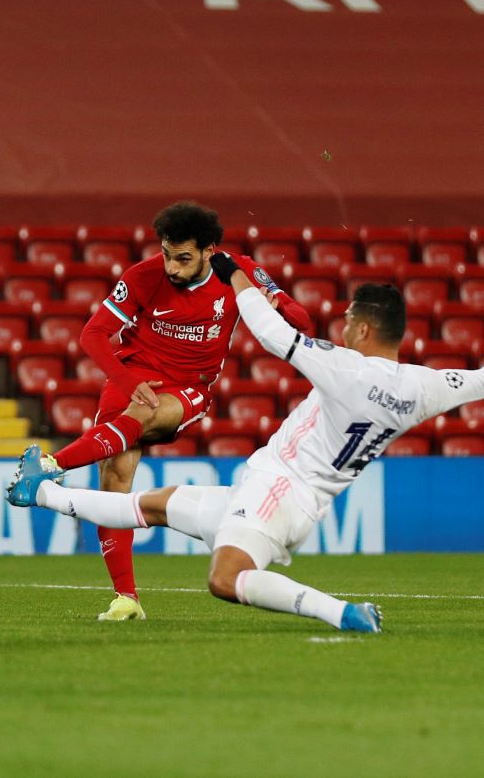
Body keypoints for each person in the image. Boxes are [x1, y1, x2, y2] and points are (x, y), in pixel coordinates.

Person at [10, 257, 484, 632]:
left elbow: (276, 334)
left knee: (224, 579)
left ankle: (344, 614)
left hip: (279, 488)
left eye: (349, 318)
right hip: (290, 496)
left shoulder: (348, 370)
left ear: (360, 327)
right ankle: (38, 492)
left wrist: (233, 273)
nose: (343, 324)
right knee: (154, 505)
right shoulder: (421, 386)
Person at [37, 202, 313, 621]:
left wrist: (275, 303)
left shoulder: (238, 272)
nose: (172, 266)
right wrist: (130, 384)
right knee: (113, 480)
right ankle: (126, 599)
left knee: (141, 417)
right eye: (167, 253)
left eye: (183, 258)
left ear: (209, 251)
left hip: (189, 388)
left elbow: (302, 320)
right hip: (133, 377)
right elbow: (93, 335)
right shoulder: (145, 275)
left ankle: (51, 464)